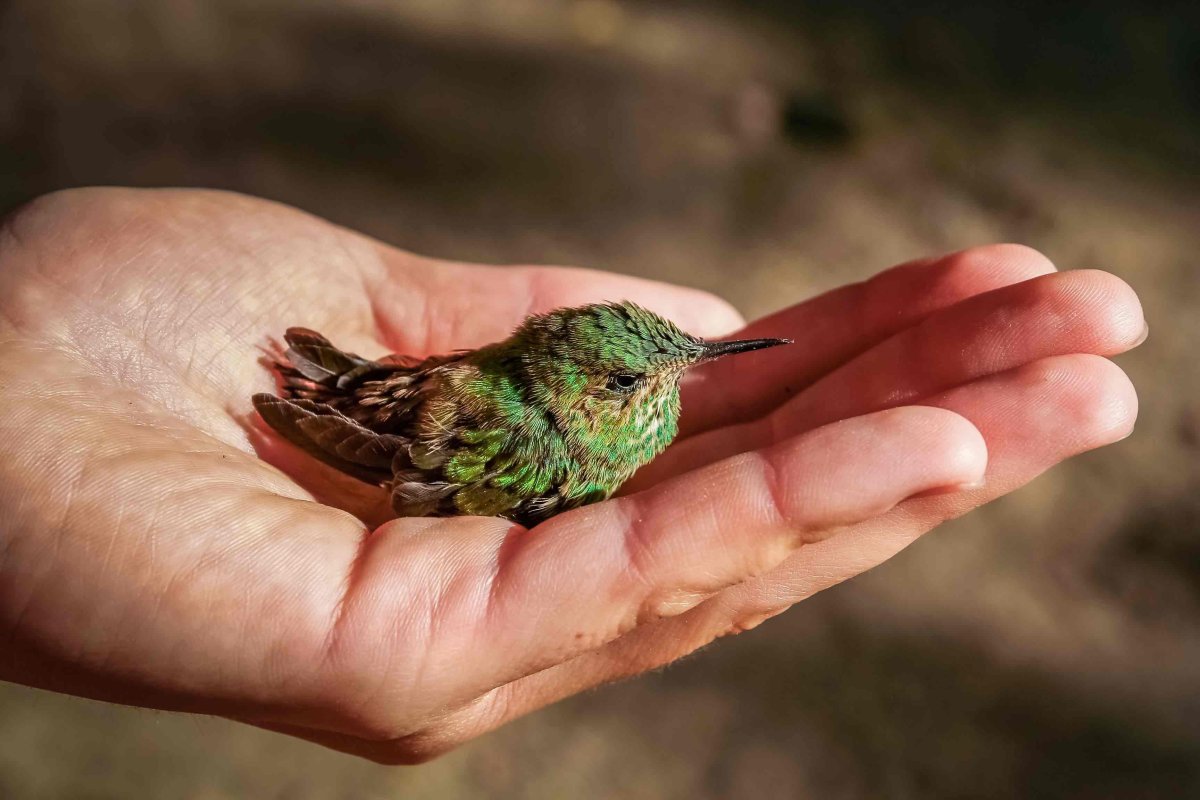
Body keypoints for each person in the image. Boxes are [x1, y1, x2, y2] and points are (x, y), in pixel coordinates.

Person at [0, 188, 1145, 763]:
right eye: (638, 382)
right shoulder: (539, 442)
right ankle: (329, 383)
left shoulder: (617, 406)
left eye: (679, 364)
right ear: (573, 393)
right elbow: (421, 470)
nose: (682, 382)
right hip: (429, 439)